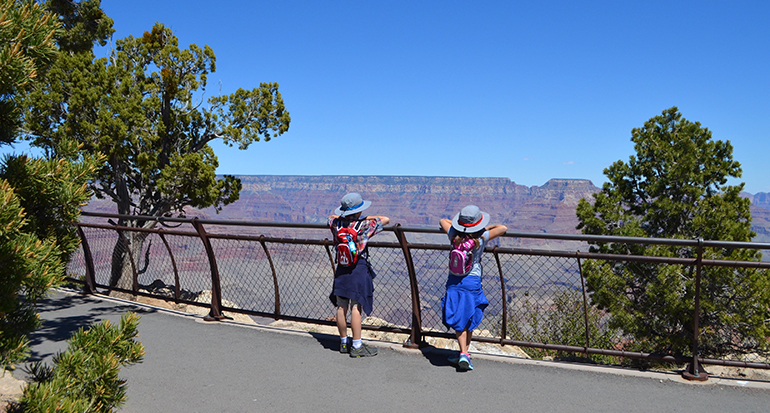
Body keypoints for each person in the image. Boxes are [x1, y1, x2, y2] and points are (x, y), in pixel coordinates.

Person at [439, 205, 507, 370]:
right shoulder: (482, 237)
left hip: (454, 280)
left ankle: (464, 353)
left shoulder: (453, 236)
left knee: (458, 315)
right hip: (472, 280)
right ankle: (464, 353)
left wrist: (459, 227)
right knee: (468, 314)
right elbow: (503, 228)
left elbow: (443, 221)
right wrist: (483, 228)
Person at [328, 192, 390, 358]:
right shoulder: (364, 226)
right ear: (358, 211)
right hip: (358, 268)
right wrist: (364, 217)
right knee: (356, 306)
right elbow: (385, 219)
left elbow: (330, 216)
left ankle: (343, 342)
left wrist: (345, 215)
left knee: (341, 306)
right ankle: (356, 345)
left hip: (341, 267)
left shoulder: (336, 224)